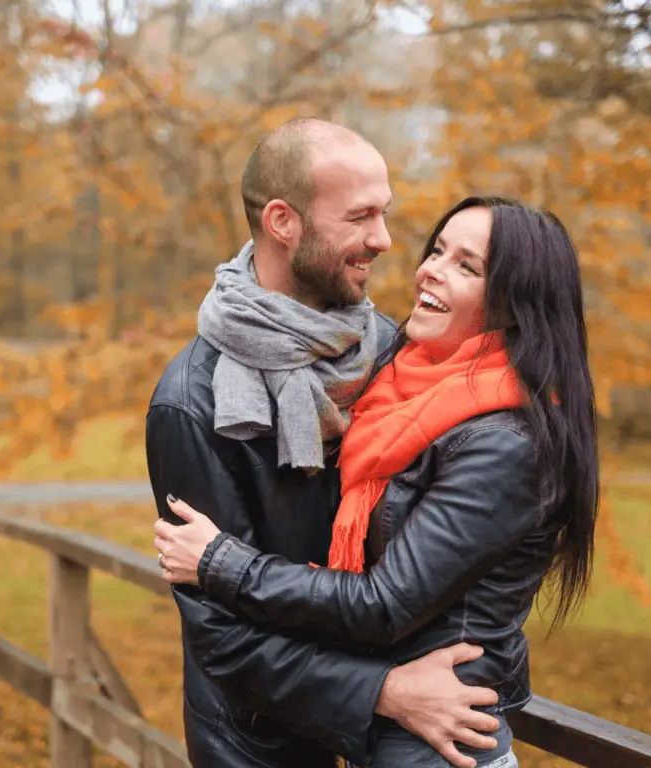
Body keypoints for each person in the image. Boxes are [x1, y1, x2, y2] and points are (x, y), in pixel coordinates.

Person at [154, 196, 601, 768]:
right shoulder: (399, 380)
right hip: (390, 739)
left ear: (517, 303)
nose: (431, 269)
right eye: (438, 249)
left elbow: (383, 603)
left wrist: (220, 560)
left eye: (467, 266)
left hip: (438, 747)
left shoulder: (505, 442)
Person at [146, 122, 504, 768]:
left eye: (385, 214)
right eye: (361, 216)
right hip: (263, 749)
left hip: (393, 736)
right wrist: (383, 692)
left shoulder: (390, 349)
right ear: (284, 222)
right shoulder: (192, 403)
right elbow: (221, 637)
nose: (386, 241)